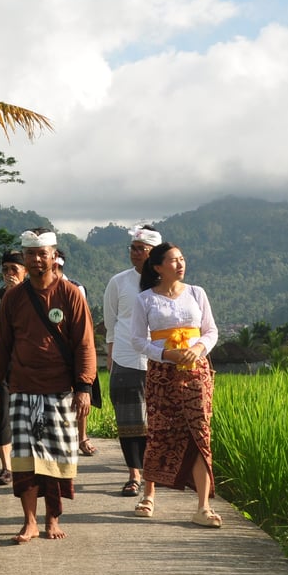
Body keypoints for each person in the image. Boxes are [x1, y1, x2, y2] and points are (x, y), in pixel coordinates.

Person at [0, 229, 97, 543]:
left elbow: (85, 344)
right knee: (24, 460)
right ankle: (30, 521)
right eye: (30, 254)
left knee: (57, 459)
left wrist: (84, 387)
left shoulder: (70, 294)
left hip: (60, 389)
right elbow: (3, 345)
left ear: (53, 256)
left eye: (42, 254)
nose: (36, 260)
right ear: (24, 257)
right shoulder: (13, 298)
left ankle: (52, 519)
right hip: (22, 388)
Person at [128, 242, 221, 528]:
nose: (180, 264)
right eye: (173, 260)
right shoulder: (145, 299)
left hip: (196, 372)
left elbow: (211, 331)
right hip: (162, 374)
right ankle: (148, 495)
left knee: (199, 433)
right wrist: (167, 354)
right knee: (159, 430)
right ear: (158, 267)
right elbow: (137, 340)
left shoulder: (196, 293)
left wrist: (198, 349)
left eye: (182, 259)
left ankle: (203, 506)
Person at [102, 224, 160, 497]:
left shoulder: (164, 284)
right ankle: (134, 475)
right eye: (133, 248)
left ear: (154, 253)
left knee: (158, 419)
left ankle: (156, 472)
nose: (135, 253)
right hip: (126, 357)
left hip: (159, 359)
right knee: (129, 419)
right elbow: (111, 322)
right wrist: (111, 355)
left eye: (141, 249)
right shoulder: (119, 282)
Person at [0, 250, 25, 485]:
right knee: (2, 414)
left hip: (29, 364)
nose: (9, 274)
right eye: (5, 270)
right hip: (4, 362)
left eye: (14, 269)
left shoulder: (32, 296)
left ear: (24, 272)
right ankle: (6, 467)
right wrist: (10, 296)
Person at [54, 249, 98, 457]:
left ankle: (82, 437)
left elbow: (81, 323)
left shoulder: (75, 288)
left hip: (72, 350)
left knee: (80, 393)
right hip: (50, 353)